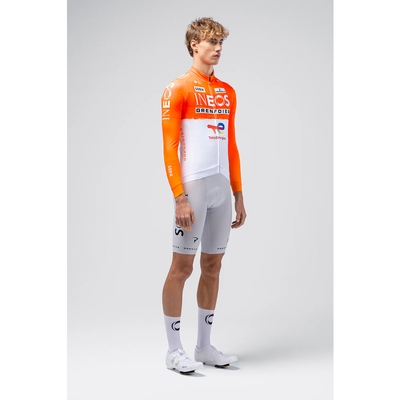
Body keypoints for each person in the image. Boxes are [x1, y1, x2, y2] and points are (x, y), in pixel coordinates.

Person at [161, 17, 247, 374]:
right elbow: (169, 147)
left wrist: (238, 193)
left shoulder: (227, 92)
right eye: (211, 42)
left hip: (221, 189)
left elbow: (231, 146)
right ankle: (173, 351)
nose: (218, 48)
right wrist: (179, 197)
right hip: (193, 188)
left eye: (221, 42)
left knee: (213, 266)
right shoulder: (178, 88)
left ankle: (204, 347)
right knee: (182, 268)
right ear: (194, 45)